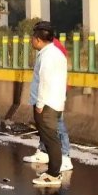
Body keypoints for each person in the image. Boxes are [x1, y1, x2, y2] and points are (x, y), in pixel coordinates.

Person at [23, 37, 73, 172]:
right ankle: (44, 152)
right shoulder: (45, 49)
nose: (32, 40)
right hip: (47, 94)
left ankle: (65, 156)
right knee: (45, 127)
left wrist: (40, 102)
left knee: (57, 124)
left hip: (53, 94)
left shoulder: (54, 49)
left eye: (34, 36)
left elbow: (48, 78)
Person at [28, 21, 68, 187]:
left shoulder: (47, 56)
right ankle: (53, 172)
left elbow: (44, 81)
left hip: (47, 104)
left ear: (38, 39)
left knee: (50, 139)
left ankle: (53, 174)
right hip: (54, 101)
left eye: (32, 38)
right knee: (50, 138)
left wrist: (39, 104)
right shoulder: (55, 53)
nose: (31, 41)